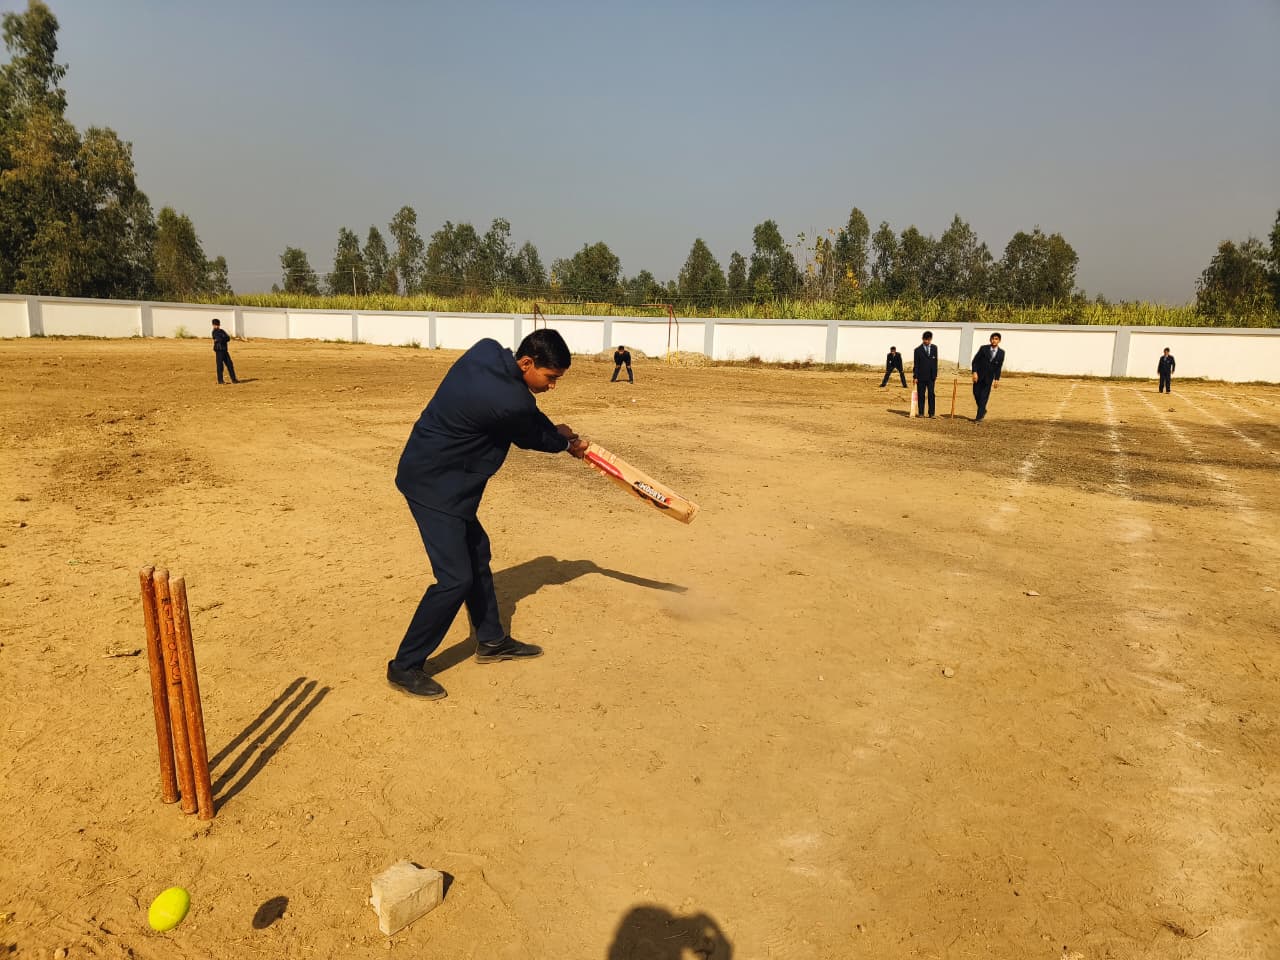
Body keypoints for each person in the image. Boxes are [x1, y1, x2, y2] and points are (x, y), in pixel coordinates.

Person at [388, 329, 588, 700]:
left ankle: (491, 640)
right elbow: (530, 432)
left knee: (477, 553)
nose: (553, 386)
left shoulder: (486, 351)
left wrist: (555, 432)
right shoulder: (509, 402)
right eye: (550, 378)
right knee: (455, 579)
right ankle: (404, 665)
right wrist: (565, 442)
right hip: (433, 486)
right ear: (526, 363)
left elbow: (526, 412)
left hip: (443, 475)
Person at [971, 332, 1005, 422]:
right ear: (990, 340)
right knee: (976, 393)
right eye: (993, 339)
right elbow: (975, 361)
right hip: (978, 376)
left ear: (999, 341)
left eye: (996, 339)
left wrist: (997, 379)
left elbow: (999, 367)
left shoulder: (1001, 353)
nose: (994, 341)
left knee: (984, 397)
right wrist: (974, 372)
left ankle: (979, 417)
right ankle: (983, 410)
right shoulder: (983, 349)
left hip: (989, 378)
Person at [912, 331, 939, 416]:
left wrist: (935, 374)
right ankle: (921, 413)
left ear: (931, 339)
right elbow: (916, 364)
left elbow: (935, 362)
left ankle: (931, 413)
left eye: (928, 340)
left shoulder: (934, 348)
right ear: (922, 339)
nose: (927, 341)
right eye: (925, 340)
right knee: (921, 395)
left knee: (931, 394)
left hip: (931, 377)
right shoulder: (917, 350)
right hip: (921, 376)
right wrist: (915, 376)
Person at [211, 318, 238, 384]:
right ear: (213, 325)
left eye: (217, 325)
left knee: (230, 365)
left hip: (225, 350)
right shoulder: (214, 332)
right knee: (220, 366)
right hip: (219, 351)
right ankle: (220, 380)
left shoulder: (222, 331)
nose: (216, 326)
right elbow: (221, 339)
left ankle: (234, 379)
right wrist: (223, 338)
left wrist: (222, 338)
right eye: (215, 325)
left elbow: (228, 338)